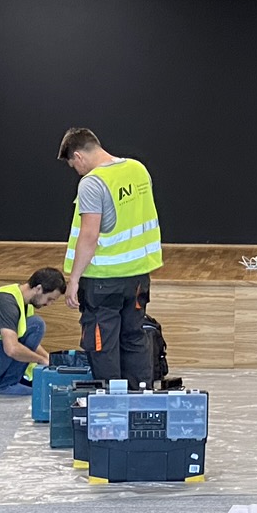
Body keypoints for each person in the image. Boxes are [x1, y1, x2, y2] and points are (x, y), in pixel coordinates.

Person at [58, 127, 165, 386]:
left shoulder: (92, 183)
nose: (77, 171)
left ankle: (111, 402)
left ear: (78, 156)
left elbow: (89, 235)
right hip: (138, 275)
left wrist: (74, 279)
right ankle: (140, 396)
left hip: (103, 279)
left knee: (102, 343)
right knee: (134, 336)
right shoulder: (138, 169)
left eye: (74, 166)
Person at [0, 267, 67, 394]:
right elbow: (12, 349)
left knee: (33, 326)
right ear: (38, 288)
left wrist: (49, 359)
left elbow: (27, 341)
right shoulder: (7, 305)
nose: (49, 304)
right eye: (49, 299)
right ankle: (8, 384)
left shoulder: (21, 299)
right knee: (37, 325)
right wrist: (40, 360)